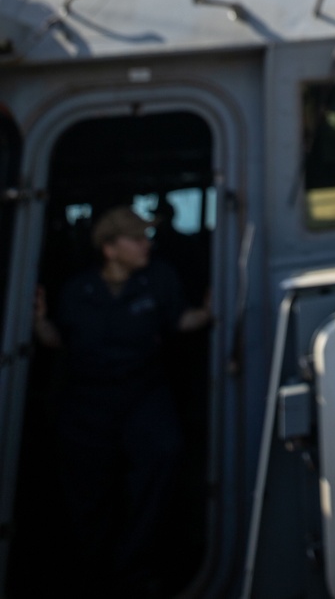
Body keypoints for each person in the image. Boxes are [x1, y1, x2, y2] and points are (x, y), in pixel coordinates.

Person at [33, 205, 212, 597]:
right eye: (135, 238)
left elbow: (179, 321)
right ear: (110, 249)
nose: (145, 244)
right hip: (87, 401)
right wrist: (40, 322)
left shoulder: (159, 279)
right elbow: (57, 339)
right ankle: (91, 572)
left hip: (142, 394)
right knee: (87, 491)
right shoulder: (78, 290)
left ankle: (133, 568)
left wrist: (209, 311)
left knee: (162, 458)